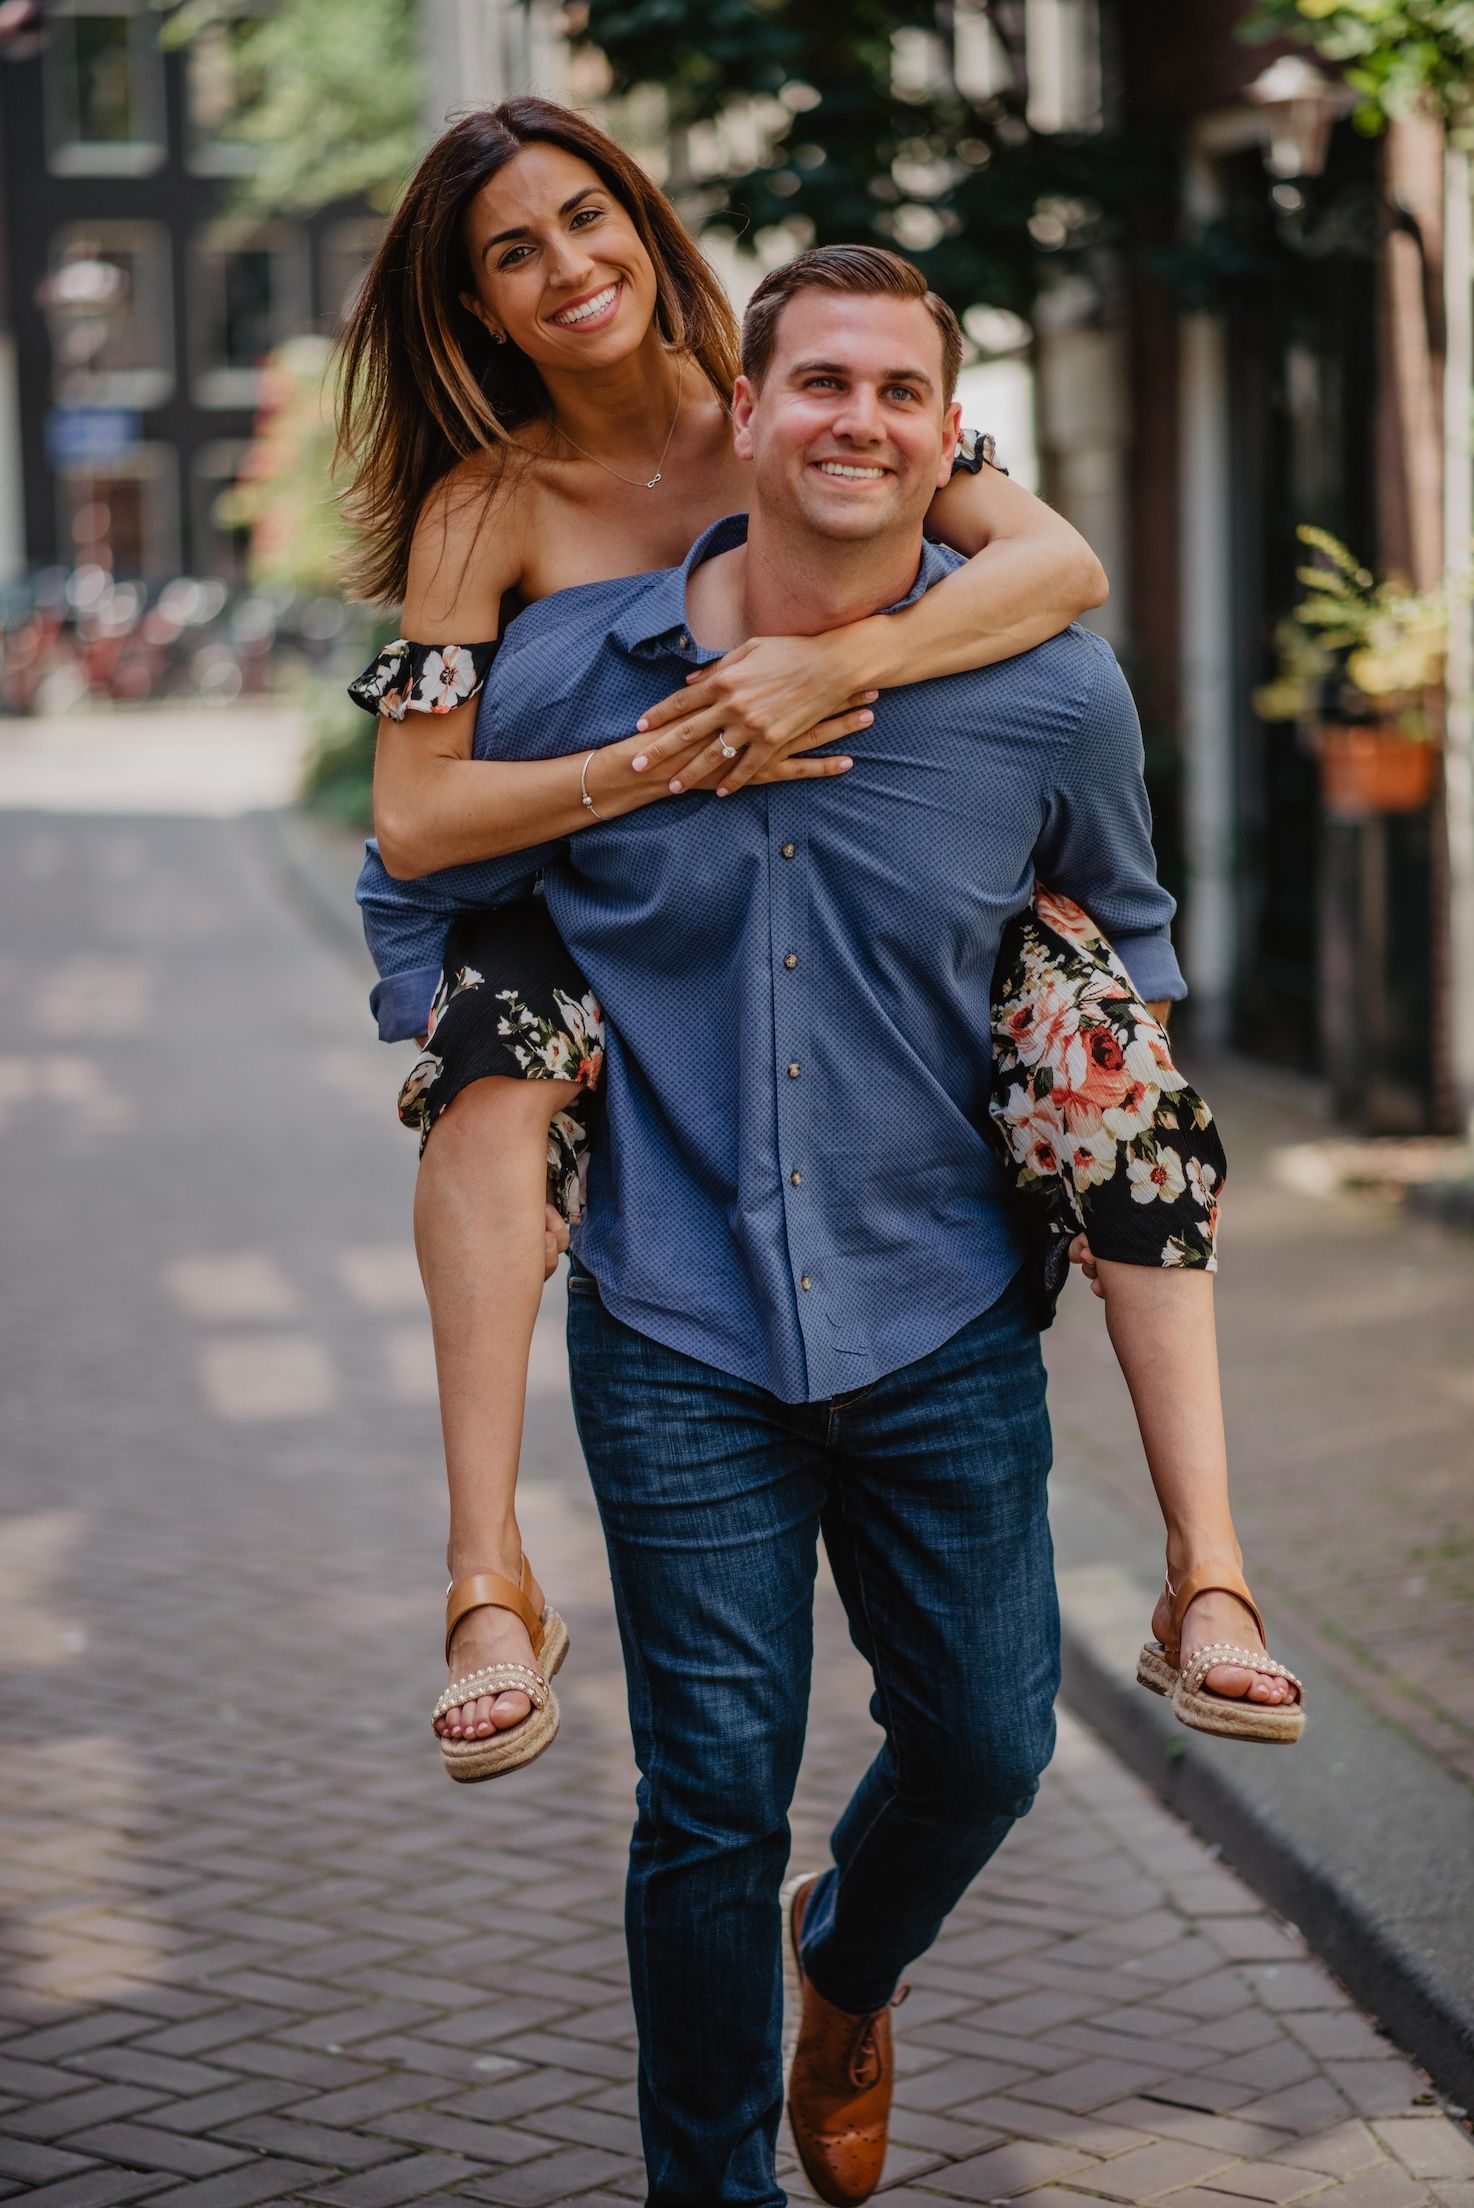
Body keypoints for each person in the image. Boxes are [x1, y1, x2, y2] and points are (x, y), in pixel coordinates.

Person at [356, 242, 1303, 2207]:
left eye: (895, 391)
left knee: (981, 1744)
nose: (854, 419)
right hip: (672, 1308)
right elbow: (421, 873)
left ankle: (843, 1958)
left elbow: (1121, 940)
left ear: (945, 432)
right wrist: (490, 1057)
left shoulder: (1041, 690)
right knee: (703, 1799)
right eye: (817, 384)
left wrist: (1083, 1073)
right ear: (745, 412)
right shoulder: (568, 671)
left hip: (938, 1305)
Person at [337, 95, 1121, 1767]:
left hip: (823, 904)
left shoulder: (800, 407)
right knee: (490, 1052)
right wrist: (656, 758)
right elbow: (415, 818)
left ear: (643, 218)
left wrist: (838, 666)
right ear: (476, 305)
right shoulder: (483, 512)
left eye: (585, 218)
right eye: (511, 254)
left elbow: (1054, 570)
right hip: (577, 893)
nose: (566, 268)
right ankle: (486, 1569)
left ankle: (1209, 1568)